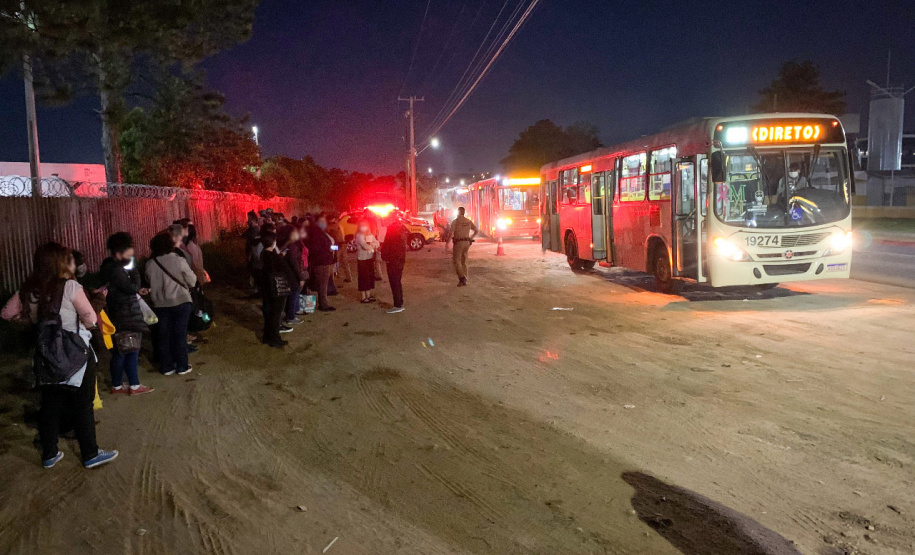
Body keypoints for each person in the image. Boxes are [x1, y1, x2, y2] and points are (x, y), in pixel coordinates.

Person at [1, 243, 118, 469]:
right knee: (82, 405)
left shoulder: (29, 289)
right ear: (60, 263)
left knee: (50, 405)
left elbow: (7, 313)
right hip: (76, 353)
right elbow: (90, 319)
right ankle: (90, 454)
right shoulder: (70, 286)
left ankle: (49, 454)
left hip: (45, 353)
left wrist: (31, 321)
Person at [99, 233, 153, 396]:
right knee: (131, 351)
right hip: (126, 316)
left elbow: (124, 289)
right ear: (120, 251)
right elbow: (131, 287)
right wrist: (134, 270)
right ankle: (134, 385)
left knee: (120, 351)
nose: (132, 252)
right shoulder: (117, 269)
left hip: (119, 315)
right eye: (130, 248)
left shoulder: (110, 268)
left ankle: (116, 385)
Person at [146, 233, 197, 376]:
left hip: (160, 304)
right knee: (180, 334)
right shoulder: (178, 260)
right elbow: (192, 281)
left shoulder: (150, 264)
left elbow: (149, 281)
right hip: (181, 301)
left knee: (163, 335)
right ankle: (182, 366)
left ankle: (167, 367)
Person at [259, 230, 293, 348]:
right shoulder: (271, 256)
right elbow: (279, 271)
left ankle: (268, 336)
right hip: (277, 289)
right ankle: (274, 338)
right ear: (272, 242)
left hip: (269, 288)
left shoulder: (264, 254)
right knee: (276, 314)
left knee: (271, 314)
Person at [307, 213, 336, 312]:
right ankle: (323, 304)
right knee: (322, 284)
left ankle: (323, 303)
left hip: (323, 260)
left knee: (323, 284)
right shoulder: (317, 234)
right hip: (321, 262)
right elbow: (317, 248)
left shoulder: (320, 233)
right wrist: (329, 249)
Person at [380, 218, 409, 314]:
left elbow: (388, 246)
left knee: (394, 282)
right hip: (399, 260)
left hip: (393, 261)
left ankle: (398, 305)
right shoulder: (400, 229)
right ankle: (399, 303)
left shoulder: (392, 231)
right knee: (397, 282)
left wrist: (385, 256)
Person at [278, 225, 305, 326]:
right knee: (294, 294)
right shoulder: (292, 246)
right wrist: (300, 277)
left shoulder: (284, 245)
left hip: (287, 273)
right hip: (292, 274)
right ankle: (291, 316)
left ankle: (289, 314)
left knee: (291, 294)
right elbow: (294, 263)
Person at [450, 206, 478, 286]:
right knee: (464, 261)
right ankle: (465, 278)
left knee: (457, 261)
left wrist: (447, 243)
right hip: (467, 243)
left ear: (458, 212)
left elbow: (451, 233)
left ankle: (462, 278)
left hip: (458, 243)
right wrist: (471, 238)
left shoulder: (455, 221)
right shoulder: (468, 221)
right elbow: (476, 230)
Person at [355, 219, 380, 303]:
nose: (364, 227)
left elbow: (377, 243)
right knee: (363, 278)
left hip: (369, 258)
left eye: (365, 225)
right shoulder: (359, 235)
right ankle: (363, 297)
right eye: (362, 225)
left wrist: (371, 245)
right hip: (362, 259)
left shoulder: (370, 235)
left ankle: (368, 295)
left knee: (369, 277)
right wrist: (372, 245)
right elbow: (365, 246)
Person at [326, 214, 353, 283]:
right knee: (344, 262)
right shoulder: (339, 225)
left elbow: (333, 238)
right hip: (342, 244)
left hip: (337, 245)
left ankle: (337, 279)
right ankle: (348, 277)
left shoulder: (331, 227)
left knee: (336, 261)